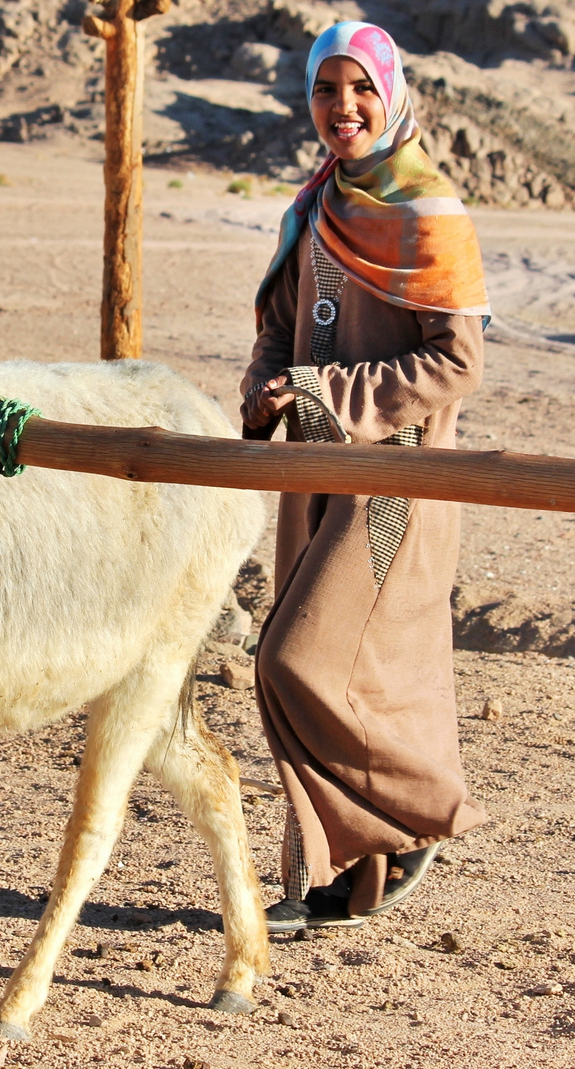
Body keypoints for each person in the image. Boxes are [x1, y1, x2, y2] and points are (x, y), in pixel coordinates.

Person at [241, 21, 491, 932]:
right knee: (308, 670)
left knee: (298, 658)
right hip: (312, 471)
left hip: (395, 480)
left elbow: (455, 365)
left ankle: (416, 818)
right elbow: (280, 321)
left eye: (359, 90)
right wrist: (267, 382)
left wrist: (323, 388)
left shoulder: (430, 212)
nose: (341, 108)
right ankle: (326, 877)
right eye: (324, 90)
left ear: (390, 95)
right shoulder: (312, 207)